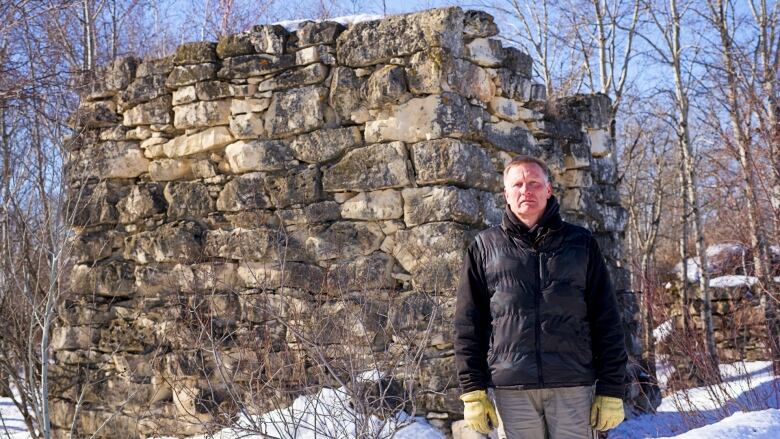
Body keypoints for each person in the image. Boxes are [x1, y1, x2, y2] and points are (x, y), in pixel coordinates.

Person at [454, 155, 627, 438]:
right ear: (506, 194)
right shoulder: (484, 247)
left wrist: (611, 389)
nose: (526, 191)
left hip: (573, 385)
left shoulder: (581, 244)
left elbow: (607, 320)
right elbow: (467, 325)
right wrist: (472, 391)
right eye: (518, 184)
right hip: (512, 389)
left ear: (548, 190)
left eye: (534, 183)